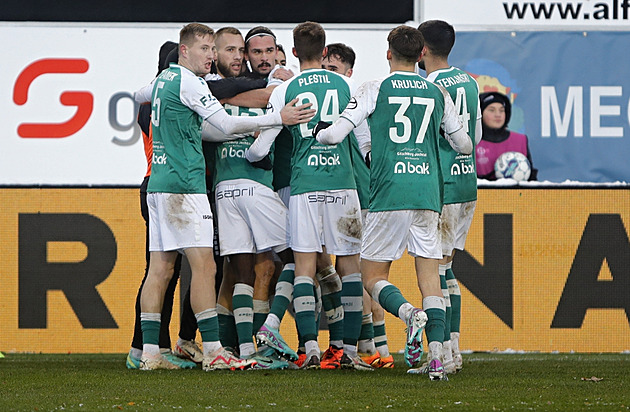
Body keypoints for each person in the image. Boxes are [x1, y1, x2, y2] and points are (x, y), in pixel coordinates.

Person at [133, 22, 314, 371]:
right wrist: (280, 116)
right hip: (186, 187)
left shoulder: (163, 81)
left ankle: (150, 354)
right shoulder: (190, 82)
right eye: (205, 49)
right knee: (205, 266)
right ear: (184, 51)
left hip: (158, 184)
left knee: (160, 269)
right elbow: (228, 124)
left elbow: (141, 94)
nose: (211, 56)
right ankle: (215, 350)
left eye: (213, 50)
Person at [314, 25, 473, 380]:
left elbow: (334, 135)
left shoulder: (374, 88)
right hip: (429, 195)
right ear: (420, 56)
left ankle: (406, 314)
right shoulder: (436, 92)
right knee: (430, 277)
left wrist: (319, 129)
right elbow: (464, 144)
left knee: (373, 276)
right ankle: (436, 358)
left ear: (389, 54)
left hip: (389, 192)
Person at [246, 21, 367, 370]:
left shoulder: (285, 90)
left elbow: (260, 149)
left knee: (303, 268)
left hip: (303, 186)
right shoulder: (346, 85)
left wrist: (249, 154)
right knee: (349, 268)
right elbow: (361, 140)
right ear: (326, 52)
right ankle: (346, 351)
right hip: (343, 184)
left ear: (294, 52)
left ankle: (311, 349)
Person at [203, 26, 292, 369]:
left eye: (250, 51)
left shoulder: (217, 96)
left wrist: (231, 100)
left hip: (226, 189)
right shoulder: (220, 87)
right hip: (255, 187)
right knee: (300, 258)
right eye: (245, 51)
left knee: (243, 273)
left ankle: (247, 351)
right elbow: (266, 104)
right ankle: (271, 334)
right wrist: (269, 94)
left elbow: (226, 101)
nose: (248, 57)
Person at [126, 40, 200, 370]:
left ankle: (149, 347)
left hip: (157, 185)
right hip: (169, 186)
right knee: (167, 272)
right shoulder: (166, 100)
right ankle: (150, 347)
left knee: (162, 272)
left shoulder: (149, 102)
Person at [321, 42, 390, 370]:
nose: (327, 75)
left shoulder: (352, 106)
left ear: (349, 74)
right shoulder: (335, 105)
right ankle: (368, 345)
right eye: (324, 68)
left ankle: (380, 347)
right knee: (349, 270)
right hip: (346, 196)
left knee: (361, 273)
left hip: (361, 197)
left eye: (333, 70)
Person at [418, 19, 482, 374]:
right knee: (447, 268)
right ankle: (454, 349)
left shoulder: (430, 85)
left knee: (435, 270)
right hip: (467, 181)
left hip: (440, 185)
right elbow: (476, 135)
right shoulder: (470, 82)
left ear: (422, 50)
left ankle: (441, 353)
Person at [476, 91, 538, 181]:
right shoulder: (471, 142)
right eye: (492, 110)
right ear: (480, 114)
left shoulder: (520, 140)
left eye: (501, 110)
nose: (498, 115)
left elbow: (531, 180)